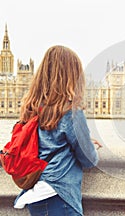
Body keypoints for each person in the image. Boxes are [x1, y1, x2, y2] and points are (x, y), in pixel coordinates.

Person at [13, 45, 101, 215]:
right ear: (72, 75)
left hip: (35, 194)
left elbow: (50, 142)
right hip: (59, 195)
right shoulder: (70, 112)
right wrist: (93, 147)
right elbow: (88, 159)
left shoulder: (32, 107)